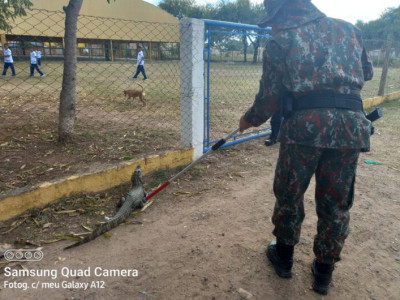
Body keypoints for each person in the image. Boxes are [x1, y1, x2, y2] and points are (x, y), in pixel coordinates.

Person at [238, 0, 373, 295]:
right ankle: (323, 274)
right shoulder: (350, 30)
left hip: (305, 126)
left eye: (273, 18)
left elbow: (270, 97)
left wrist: (249, 119)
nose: (272, 25)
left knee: (290, 191)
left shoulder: (281, 40)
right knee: (336, 203)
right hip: (351, 127)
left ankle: (283, 258)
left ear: (283, 12)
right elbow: (366, 73)